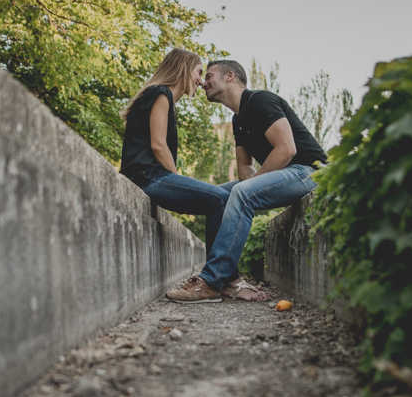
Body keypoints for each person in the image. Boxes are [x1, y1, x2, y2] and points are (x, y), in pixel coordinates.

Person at [166, 59, 327, 304]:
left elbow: (286, 150)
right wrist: (246, 187)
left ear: (230, 76)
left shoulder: (260, 100)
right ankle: (229, 281)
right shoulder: (237, 120)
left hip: (309, 170)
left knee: (242, 192)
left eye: (209, 76)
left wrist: (250, 187)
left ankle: (210, 282)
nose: (203, 81)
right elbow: (244, 169)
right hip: (287, 174)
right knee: (215, 196)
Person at [120, 49, 231, 257]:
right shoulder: (160, 93)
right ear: (184, 69)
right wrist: (176, 179)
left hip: (145, 176)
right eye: (199, 73)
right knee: (220, 199)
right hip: (145, 177)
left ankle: (218, 275)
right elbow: (158, 146)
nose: (200, 81)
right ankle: (219, 277)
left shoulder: (160, 96)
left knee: (220, 199)